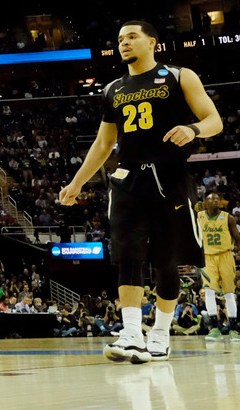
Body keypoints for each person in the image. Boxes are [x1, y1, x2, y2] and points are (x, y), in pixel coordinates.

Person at [59, 20, 222, 363]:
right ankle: (132, 333)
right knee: (127, 257)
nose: (124, 43)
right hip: (127, 179)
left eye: (132, 37)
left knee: (167, 261)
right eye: (120, 39)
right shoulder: (113, 88)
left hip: (170, 178)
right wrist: (77, 182)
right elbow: (104, 143)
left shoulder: (180, 76)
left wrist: (193, 129)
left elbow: (214, 119)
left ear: (153, 43)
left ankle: (160, 333)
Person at [197, 191, 240, 339]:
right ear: (205, 203)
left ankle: (234, 329)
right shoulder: (199, 217)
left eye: (218, 199)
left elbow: (238, 239)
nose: (216, 201)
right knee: (209, 292)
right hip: (208, 257)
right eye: (211, 199)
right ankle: (213, 328)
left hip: (226, 256)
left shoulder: (227, 218)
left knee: (229, 293)